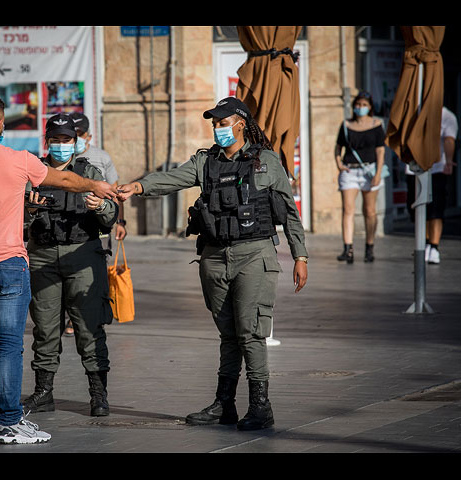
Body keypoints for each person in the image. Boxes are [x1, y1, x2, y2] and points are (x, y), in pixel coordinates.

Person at [117, 97, 308, 431]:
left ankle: (261, 406)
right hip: (215, 258)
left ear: (240, 124)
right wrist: (138, 186)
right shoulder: (206, 162)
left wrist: (300, 255)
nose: (218, 128)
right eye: (214, 123)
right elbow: (173, 178)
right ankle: (225, 405)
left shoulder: (265, 161)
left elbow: (289, 210)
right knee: (228, 333)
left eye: (223, 122)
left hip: (255, 255)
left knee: (250, 333)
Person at [0, 95, 116, 444]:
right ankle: (9, 422)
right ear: (1, 125)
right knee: (10, 346)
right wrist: (96, 186)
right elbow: (63, 181)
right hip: (10, 265)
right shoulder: (19, 161)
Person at [22, 113, 118, 418]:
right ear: (47, 141)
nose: (61, 145)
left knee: (90, 327)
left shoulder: (89, 171)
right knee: (45, 327)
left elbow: (111, 215)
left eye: (67, 140)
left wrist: (101, 206)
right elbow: (16, 218)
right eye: (56, 140)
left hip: (83, 255)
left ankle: (98, 394)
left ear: (75, 142)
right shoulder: (33, 171)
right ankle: (44, 392)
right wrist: (29, 210)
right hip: (43, 255)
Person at [63, 112, 127, 336]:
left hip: (99, 222)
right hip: (71, 222)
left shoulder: (101, 157)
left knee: (95, 267)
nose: (78, 139)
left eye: (81, 135)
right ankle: (71, 318)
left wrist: (120, 222)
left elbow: (117, 191)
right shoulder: (62, 159)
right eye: (74, 135)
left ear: (89, 136)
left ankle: (96, 310)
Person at [334, 91, 387, 264]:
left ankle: (369, 248)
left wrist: (378, 173)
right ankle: (347, 249)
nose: (360, 108)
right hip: (350, 170)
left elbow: (380, 150)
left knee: (369, 211)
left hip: (370, 171)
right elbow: (338, 146)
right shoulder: (346, 124)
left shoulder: (377, 124)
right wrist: (338, 164)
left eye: (364, 105)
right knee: (348, 210)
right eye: (358, 104)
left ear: (370, 107)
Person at [406, 106, 458, 264]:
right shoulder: (413, 111)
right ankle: (425, 243)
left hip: (436, 167)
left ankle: (433, 246)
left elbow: (449, 139)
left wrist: (448, 161)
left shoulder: (447, 116)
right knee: (417, 207)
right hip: (413, 168)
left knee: (436, 207)